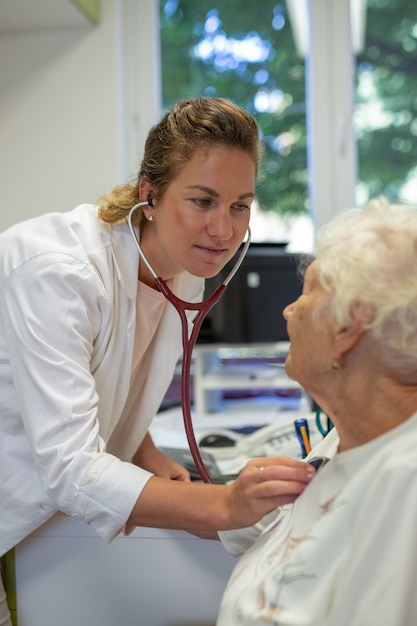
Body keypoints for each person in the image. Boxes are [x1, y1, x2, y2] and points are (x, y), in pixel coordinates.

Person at [0, 97, 314, 625]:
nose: (224, 230)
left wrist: (144, 450)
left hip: (39, 526)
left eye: (241, 205)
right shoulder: (59, 273)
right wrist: (225, 507)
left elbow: (109, 373)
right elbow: (70, 466)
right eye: (203, 200)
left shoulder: (182, 265)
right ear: (150, 193)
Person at [216, 196, 417, 626]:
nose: (289, 310)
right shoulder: (344, 439)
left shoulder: (406, 482)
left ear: (347, 327)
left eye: (307, 291)